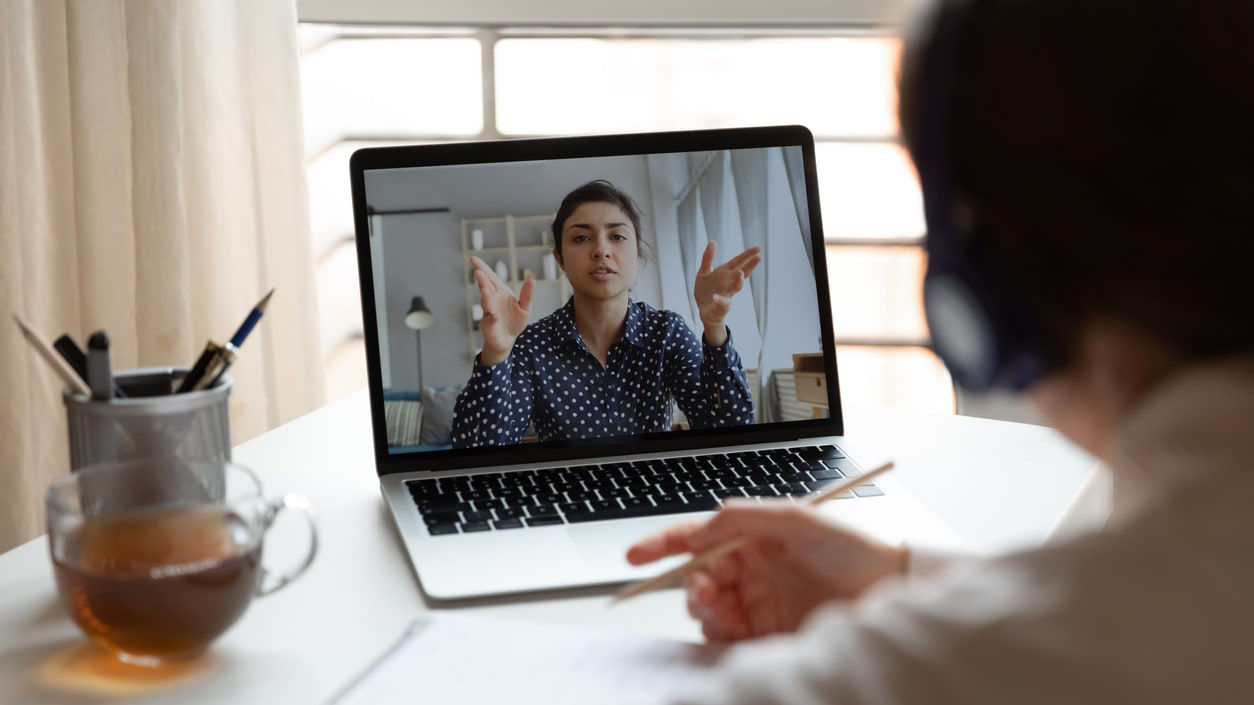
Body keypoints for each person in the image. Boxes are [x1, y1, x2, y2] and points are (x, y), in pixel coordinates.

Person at [627, 0, 1254, 702]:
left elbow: (1089, 630)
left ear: (986, 292)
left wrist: (715, 330)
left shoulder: (956, 668)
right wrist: (901, 578)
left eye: (616, 236)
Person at [451, 180, 760, 447]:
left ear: (637, 253)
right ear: (559, 258)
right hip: (564, 501)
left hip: (655, 493)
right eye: (581, 238)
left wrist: (714, 326)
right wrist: (496, 351)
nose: (601, 250)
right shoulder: (533, 345)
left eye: (617, 236)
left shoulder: (666, 331)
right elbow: (479, 450)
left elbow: (730, 431)